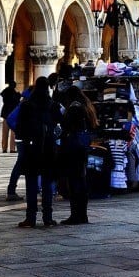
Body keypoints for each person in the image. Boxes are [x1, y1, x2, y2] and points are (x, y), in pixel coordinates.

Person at [16, 76, 62, 228]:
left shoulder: (27, 105)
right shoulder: (53, 105)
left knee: (31, 184)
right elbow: (60, 125)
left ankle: (30, 218)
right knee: (47, 184)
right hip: (49, 149)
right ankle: (47, 218)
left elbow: (19, 128)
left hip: (31, 149)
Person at [60, 86, 98, 225]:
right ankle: (83, 215)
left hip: (73, 148)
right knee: (81, 180)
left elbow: (66, 125)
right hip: (83, 147)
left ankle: (76, 215)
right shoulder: (86, 106)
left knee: (74, 181)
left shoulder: (74, 108)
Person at [0, 81, 21, 153]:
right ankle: (12, 148)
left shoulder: (5, 92)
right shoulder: (16, 94)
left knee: (4, 132)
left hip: (5, 114)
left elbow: (3, 98)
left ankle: (4, 148)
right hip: (12, 115)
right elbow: (18, 101)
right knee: (13, 133)